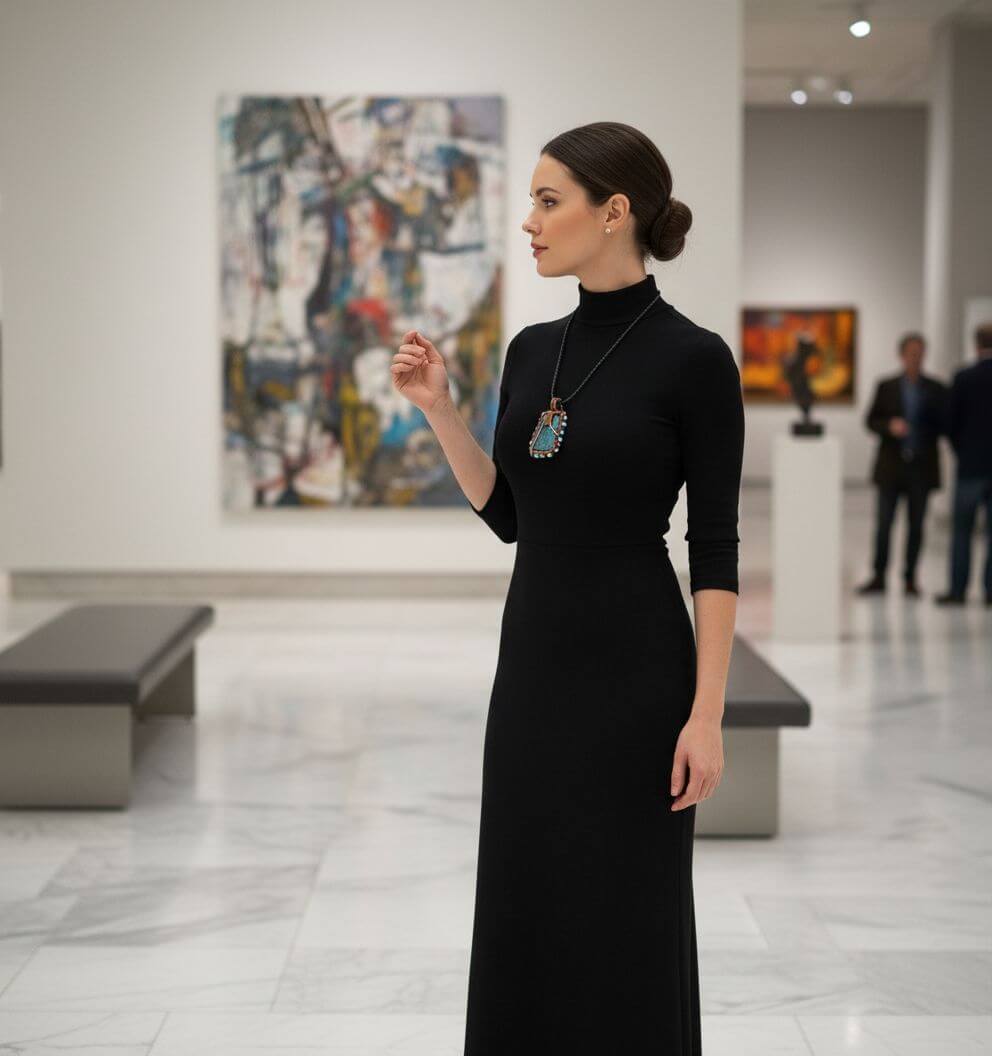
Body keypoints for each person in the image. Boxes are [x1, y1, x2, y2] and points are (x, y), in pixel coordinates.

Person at [391, 122, 743, 1055]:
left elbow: (715, 550)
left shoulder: (695, 359)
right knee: (525, 890)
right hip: (536, 667)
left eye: (549, 201)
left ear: (614, 211)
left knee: (629, 904)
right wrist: (440, 413)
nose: (529, 223)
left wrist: (707, 714)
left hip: (638, 675)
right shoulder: (530, 350)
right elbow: (510, 513)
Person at [856, 333, 948, 597]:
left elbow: (944, 424)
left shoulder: (936, 388)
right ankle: (879, 575)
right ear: (902, 355)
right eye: (911, 352)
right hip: (891, 468)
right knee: (884, 524)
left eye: (920, 353)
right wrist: (889, 426)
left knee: (916, 526)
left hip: (921, 467)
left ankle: (910, 578)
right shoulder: (887, 386)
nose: (915, 358)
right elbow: (871, 421)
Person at [934, 322, 992, 606]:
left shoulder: (964, 378)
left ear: (976, 344)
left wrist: (962, 450)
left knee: (962, 533)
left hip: (970, 466)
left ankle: (958, 590)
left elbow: (949, 423)